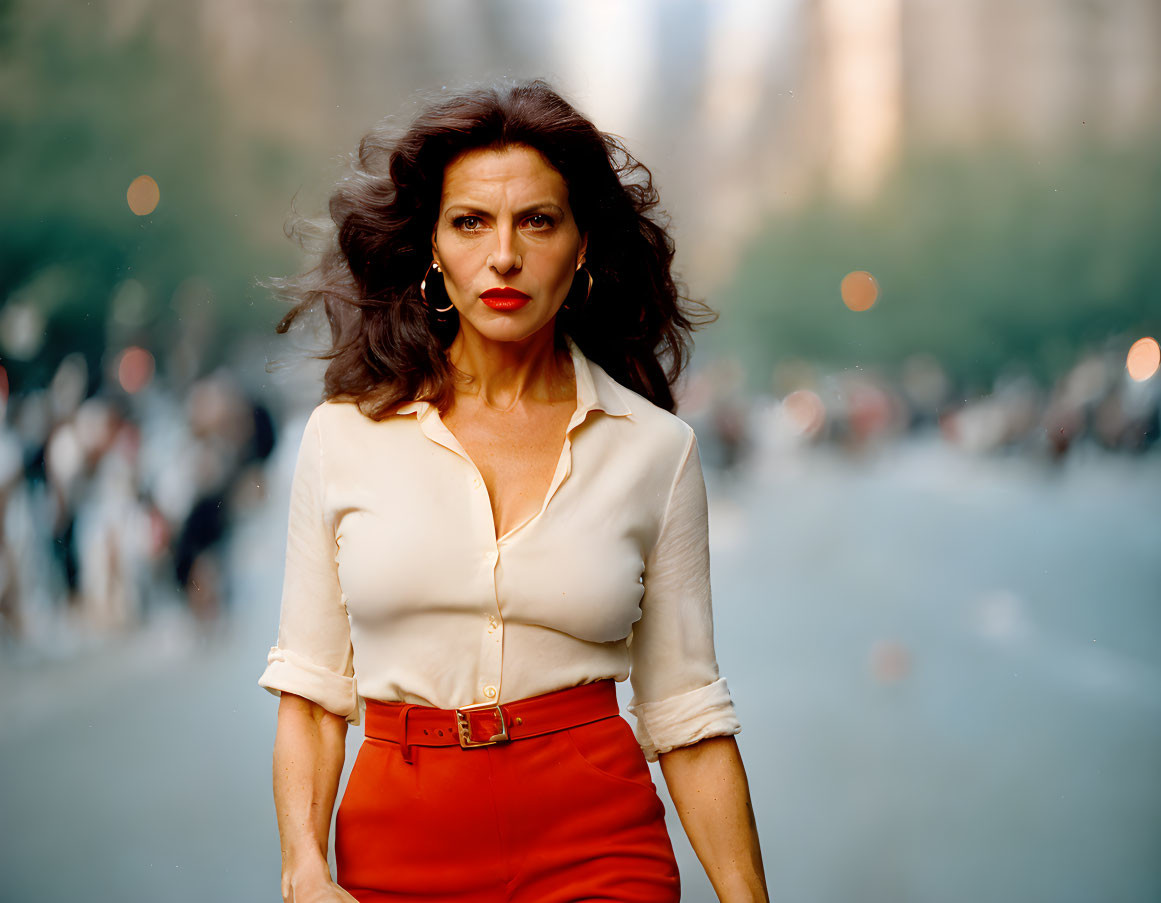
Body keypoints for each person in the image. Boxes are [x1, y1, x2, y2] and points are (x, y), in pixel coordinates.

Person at [258, 79, 768, 903]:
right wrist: (303, 870)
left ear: (581, 245)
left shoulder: (656, 451)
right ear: (432, 247)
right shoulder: (343, 436)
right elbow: (314, 693)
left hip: (598, 843)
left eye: (536, 220)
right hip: (400, 844)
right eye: (470, 222)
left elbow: (685, 714)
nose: (503, 255)